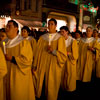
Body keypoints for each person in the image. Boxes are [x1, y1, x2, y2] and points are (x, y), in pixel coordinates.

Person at [33, 18, 67, 100]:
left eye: (52, 24)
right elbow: (37, 52)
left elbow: (63, 56)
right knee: (41, 84)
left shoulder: (60, 38)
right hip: (42, 64)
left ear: (55, 26)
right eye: (49, 24)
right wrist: (34, 64)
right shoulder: (42, 38)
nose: (50, 26)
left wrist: (53, 51)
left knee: (51, 86)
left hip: (53, 65)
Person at [5, 20, 35, 100]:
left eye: (9, 26)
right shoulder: (4, 43)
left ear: (16, 29)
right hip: (6, 76)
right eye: (6, 26)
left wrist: (12, 58)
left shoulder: (23, 42)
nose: (6, 28)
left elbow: (28, 60)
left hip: (18, 77)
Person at [77, 26, 100, 96]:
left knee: (88, 75)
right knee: (80, 74)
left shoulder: (94, 41)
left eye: (89, 31)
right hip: (81, 60)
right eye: (87, 31)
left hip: (89, 61)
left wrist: (92, 49)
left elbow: (98, 51)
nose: (88, 32)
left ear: (92, 32)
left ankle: (87, 91)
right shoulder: (81, 40)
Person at [60, 26, 78, 93]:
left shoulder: (73, 41)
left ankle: (70, 89)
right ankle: (63, 88)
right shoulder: (60, 40)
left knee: (70, 76)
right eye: (60, 32)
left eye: (63, 32)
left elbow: (75, 55)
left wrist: (67, 53)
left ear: (67, 32)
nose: (61, 33)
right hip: (62, 61)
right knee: (63, 76)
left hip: (70, 62)